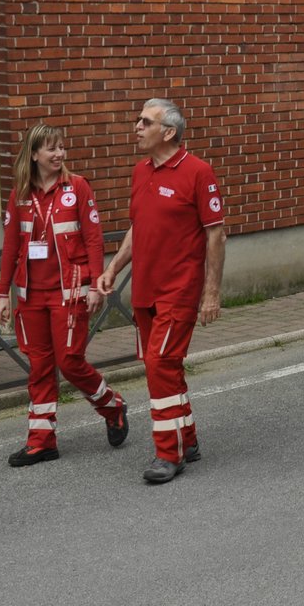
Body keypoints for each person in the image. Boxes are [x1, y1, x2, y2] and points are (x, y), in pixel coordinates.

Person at [98, 98, 226, 485]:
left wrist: (211, 293)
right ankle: (186, 438)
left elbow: (215, 234)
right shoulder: (140, 172)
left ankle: (168, 454)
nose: (136, 127)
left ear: (168, 132)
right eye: (138, 120)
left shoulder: (199, 172)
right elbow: (137, 228)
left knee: (158, 365)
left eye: (145, 121)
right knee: (165, 367)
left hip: (179, 290)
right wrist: (113, 267)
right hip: (145, 290)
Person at [0, 122, 129, 466]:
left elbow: (94, 238)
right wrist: (3, 294)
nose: (59, 154)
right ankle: (41, 441)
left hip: (70, 291)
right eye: (51, 149)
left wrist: (97, 282)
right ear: (35, 154)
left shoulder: (78, 187)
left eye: (61, 148)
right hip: (30, 295)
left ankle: (112, 405)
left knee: (69, 361)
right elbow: (10, 247)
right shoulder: (20, 194)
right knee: (39, 366)